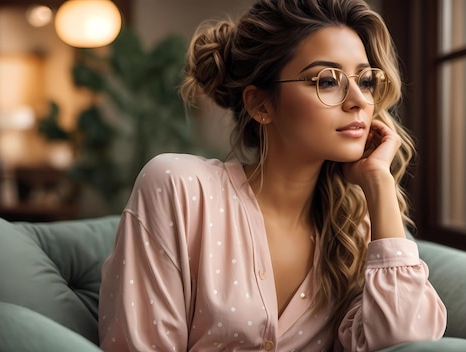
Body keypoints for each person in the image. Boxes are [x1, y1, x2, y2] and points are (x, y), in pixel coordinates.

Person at [98, 0, 447, 350]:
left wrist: (380, 184)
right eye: (328, 81)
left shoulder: (356, 228)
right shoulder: (179, 189)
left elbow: (406, 342)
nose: (358, 100)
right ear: (261, 104)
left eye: (366, 80)